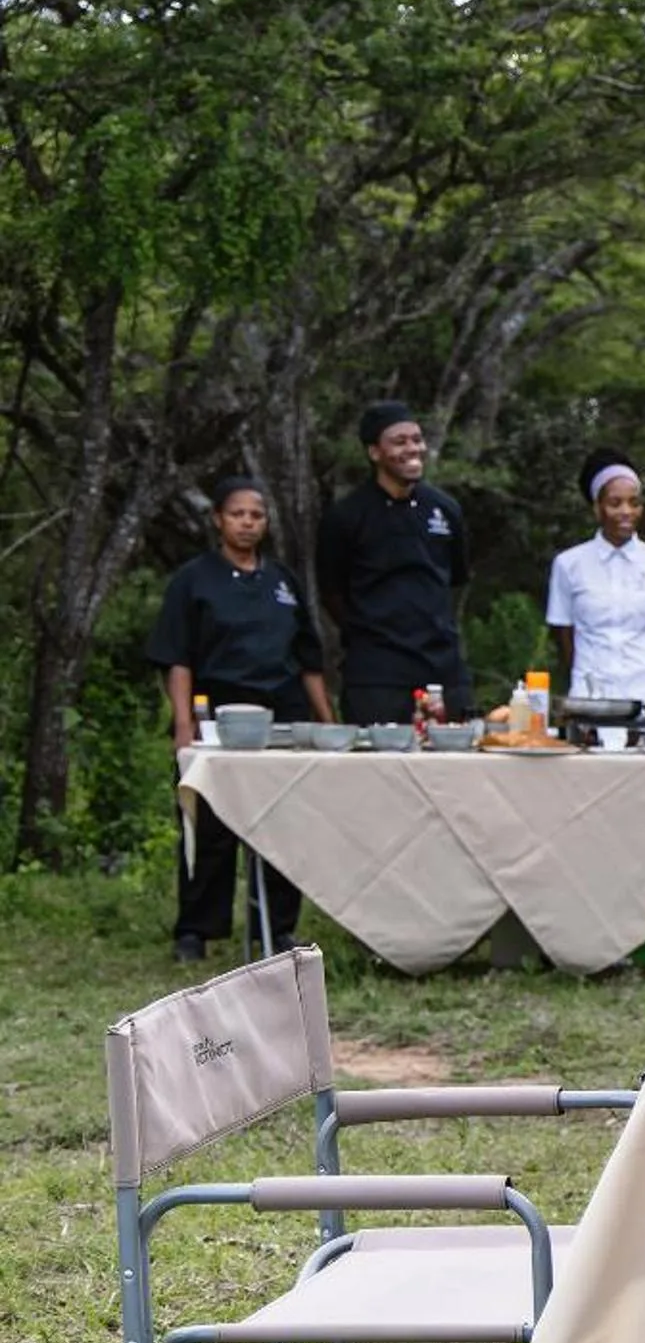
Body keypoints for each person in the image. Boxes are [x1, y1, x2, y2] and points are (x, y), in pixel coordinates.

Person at [148, 478, 334, 960]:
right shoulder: (194, 580)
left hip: (282, 716)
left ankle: (276, 928)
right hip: (217, 717)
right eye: (238, 514)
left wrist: (326, 720)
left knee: (282, 825)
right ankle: (196, 930)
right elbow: (177, 658)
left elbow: (308, 658)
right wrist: (183, 726)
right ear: (218, 519)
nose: (248, 523)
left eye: (257, 515)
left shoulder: (282, 582)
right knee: (210, 826)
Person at [317, 401, 469, 723]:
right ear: (375, 452)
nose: (412, 449)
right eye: (399, 442)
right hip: (377, 673)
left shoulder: (445, 508)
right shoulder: (347, 516)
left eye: (416, 439)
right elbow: (331, 592)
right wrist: (370, 631)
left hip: (442, 668)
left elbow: (454, 579)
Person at [546, 449, 645, 699]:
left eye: (634, 503)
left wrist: (644, 674)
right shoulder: (568, 564)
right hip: (591, 693)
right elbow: (564, 635)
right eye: (615, 503)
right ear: (597, 508)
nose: (626, 511)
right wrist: (587, 673)